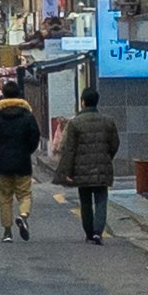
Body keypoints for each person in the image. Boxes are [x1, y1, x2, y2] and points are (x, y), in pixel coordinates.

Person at [57, 80, 123, 244]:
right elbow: (115, 144)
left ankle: (88, 232)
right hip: (102, 167)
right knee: (101, 200)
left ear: (83, 102)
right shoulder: (108, 121)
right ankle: (98, 232)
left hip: (82, 170)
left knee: (85, 201)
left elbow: (69, 149)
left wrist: (69, 172)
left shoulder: (74, 123)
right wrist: (107, 157)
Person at [0, 88, 44, 240]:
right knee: (24, 193)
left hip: (2, 159)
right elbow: (35, 135)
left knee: (4, 197)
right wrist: (28, 149)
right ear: (18, 96)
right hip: (22, 159)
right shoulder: (27, 115)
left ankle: (7, 232)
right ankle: (23, 215)